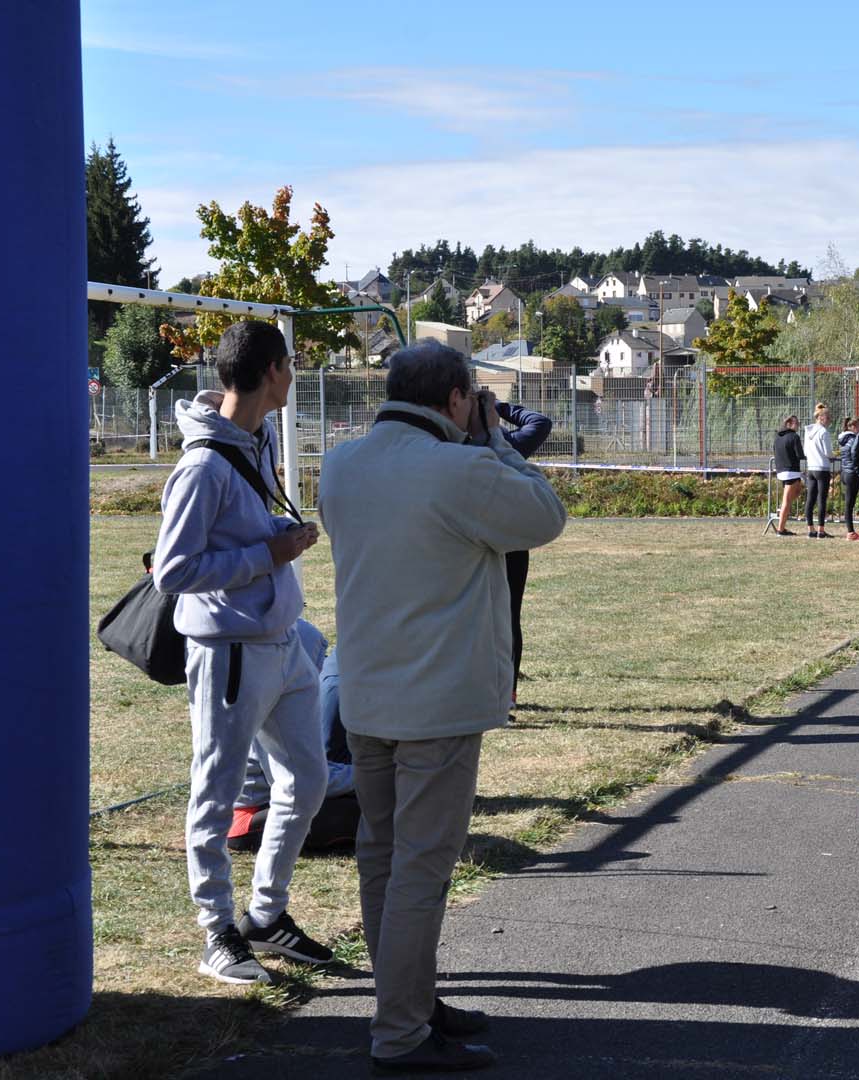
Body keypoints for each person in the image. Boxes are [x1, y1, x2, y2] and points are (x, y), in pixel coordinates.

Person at [320, 342, 567, 1073]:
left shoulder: (341, 465)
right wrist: (496, 443)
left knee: (382, 858)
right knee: (422, 871)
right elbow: (544, 516)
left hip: (365, 695)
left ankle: (410, 1000)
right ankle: (399, 1030)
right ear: (458, 399)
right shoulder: (460, 469)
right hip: (437, 707)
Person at [153, 320, 333, 986]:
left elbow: (243, 534)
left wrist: (276, 537)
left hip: (282, 644)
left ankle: (265, 914)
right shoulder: (202, 464)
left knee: (306, 780)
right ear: (270, 372)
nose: (293, 376)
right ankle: (216, 932)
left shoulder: (253, 443)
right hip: (229, 651)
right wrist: (269, 555)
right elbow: (173, 569)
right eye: (289, 365)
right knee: (217, 789)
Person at [228, 619, 359, 854]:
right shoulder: (271, 710)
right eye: (318, 659)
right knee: (368, 813)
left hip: (268, 803)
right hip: (249, 819)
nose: (321, 669)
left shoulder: (258, 689)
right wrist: (368, 774)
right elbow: (299, 779)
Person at [493, 399, 553, 695]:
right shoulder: (509, 444)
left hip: (471, 535)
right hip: (512, 539)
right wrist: (500, 407)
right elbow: (540, 422)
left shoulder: (455, 444)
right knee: (509, 615)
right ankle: (509, 692)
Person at [803, 402, 835, 538]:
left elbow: (805, 450)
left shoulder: (808, 431)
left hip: (811, 467)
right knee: (822, 499)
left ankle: (811, 529)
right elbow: (827, 452)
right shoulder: (823, 432)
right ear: (821, 418)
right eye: (828, 418)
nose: (829, 421)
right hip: (822, 467)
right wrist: (833, 456)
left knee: (810, 499)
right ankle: (821, 530)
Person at [771, 414, 804, 536]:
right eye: (796, 423)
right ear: (789, 424)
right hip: (792, 471)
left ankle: (782, 519)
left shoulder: (777, 437)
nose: (798, 425)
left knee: (791, 496)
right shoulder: (794, 437)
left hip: (781, 471)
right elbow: (800, 454)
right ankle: (780, 529)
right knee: (787, 500)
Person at [840, 417, 859, 540]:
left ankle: (850, 531)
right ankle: (850, 532)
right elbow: (855, 454)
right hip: (852, 472)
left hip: (845, 471)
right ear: (853, 427)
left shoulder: (843, 439)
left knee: (849, 503)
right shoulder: (853, 439)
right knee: (850, 503)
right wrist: (858, 467)